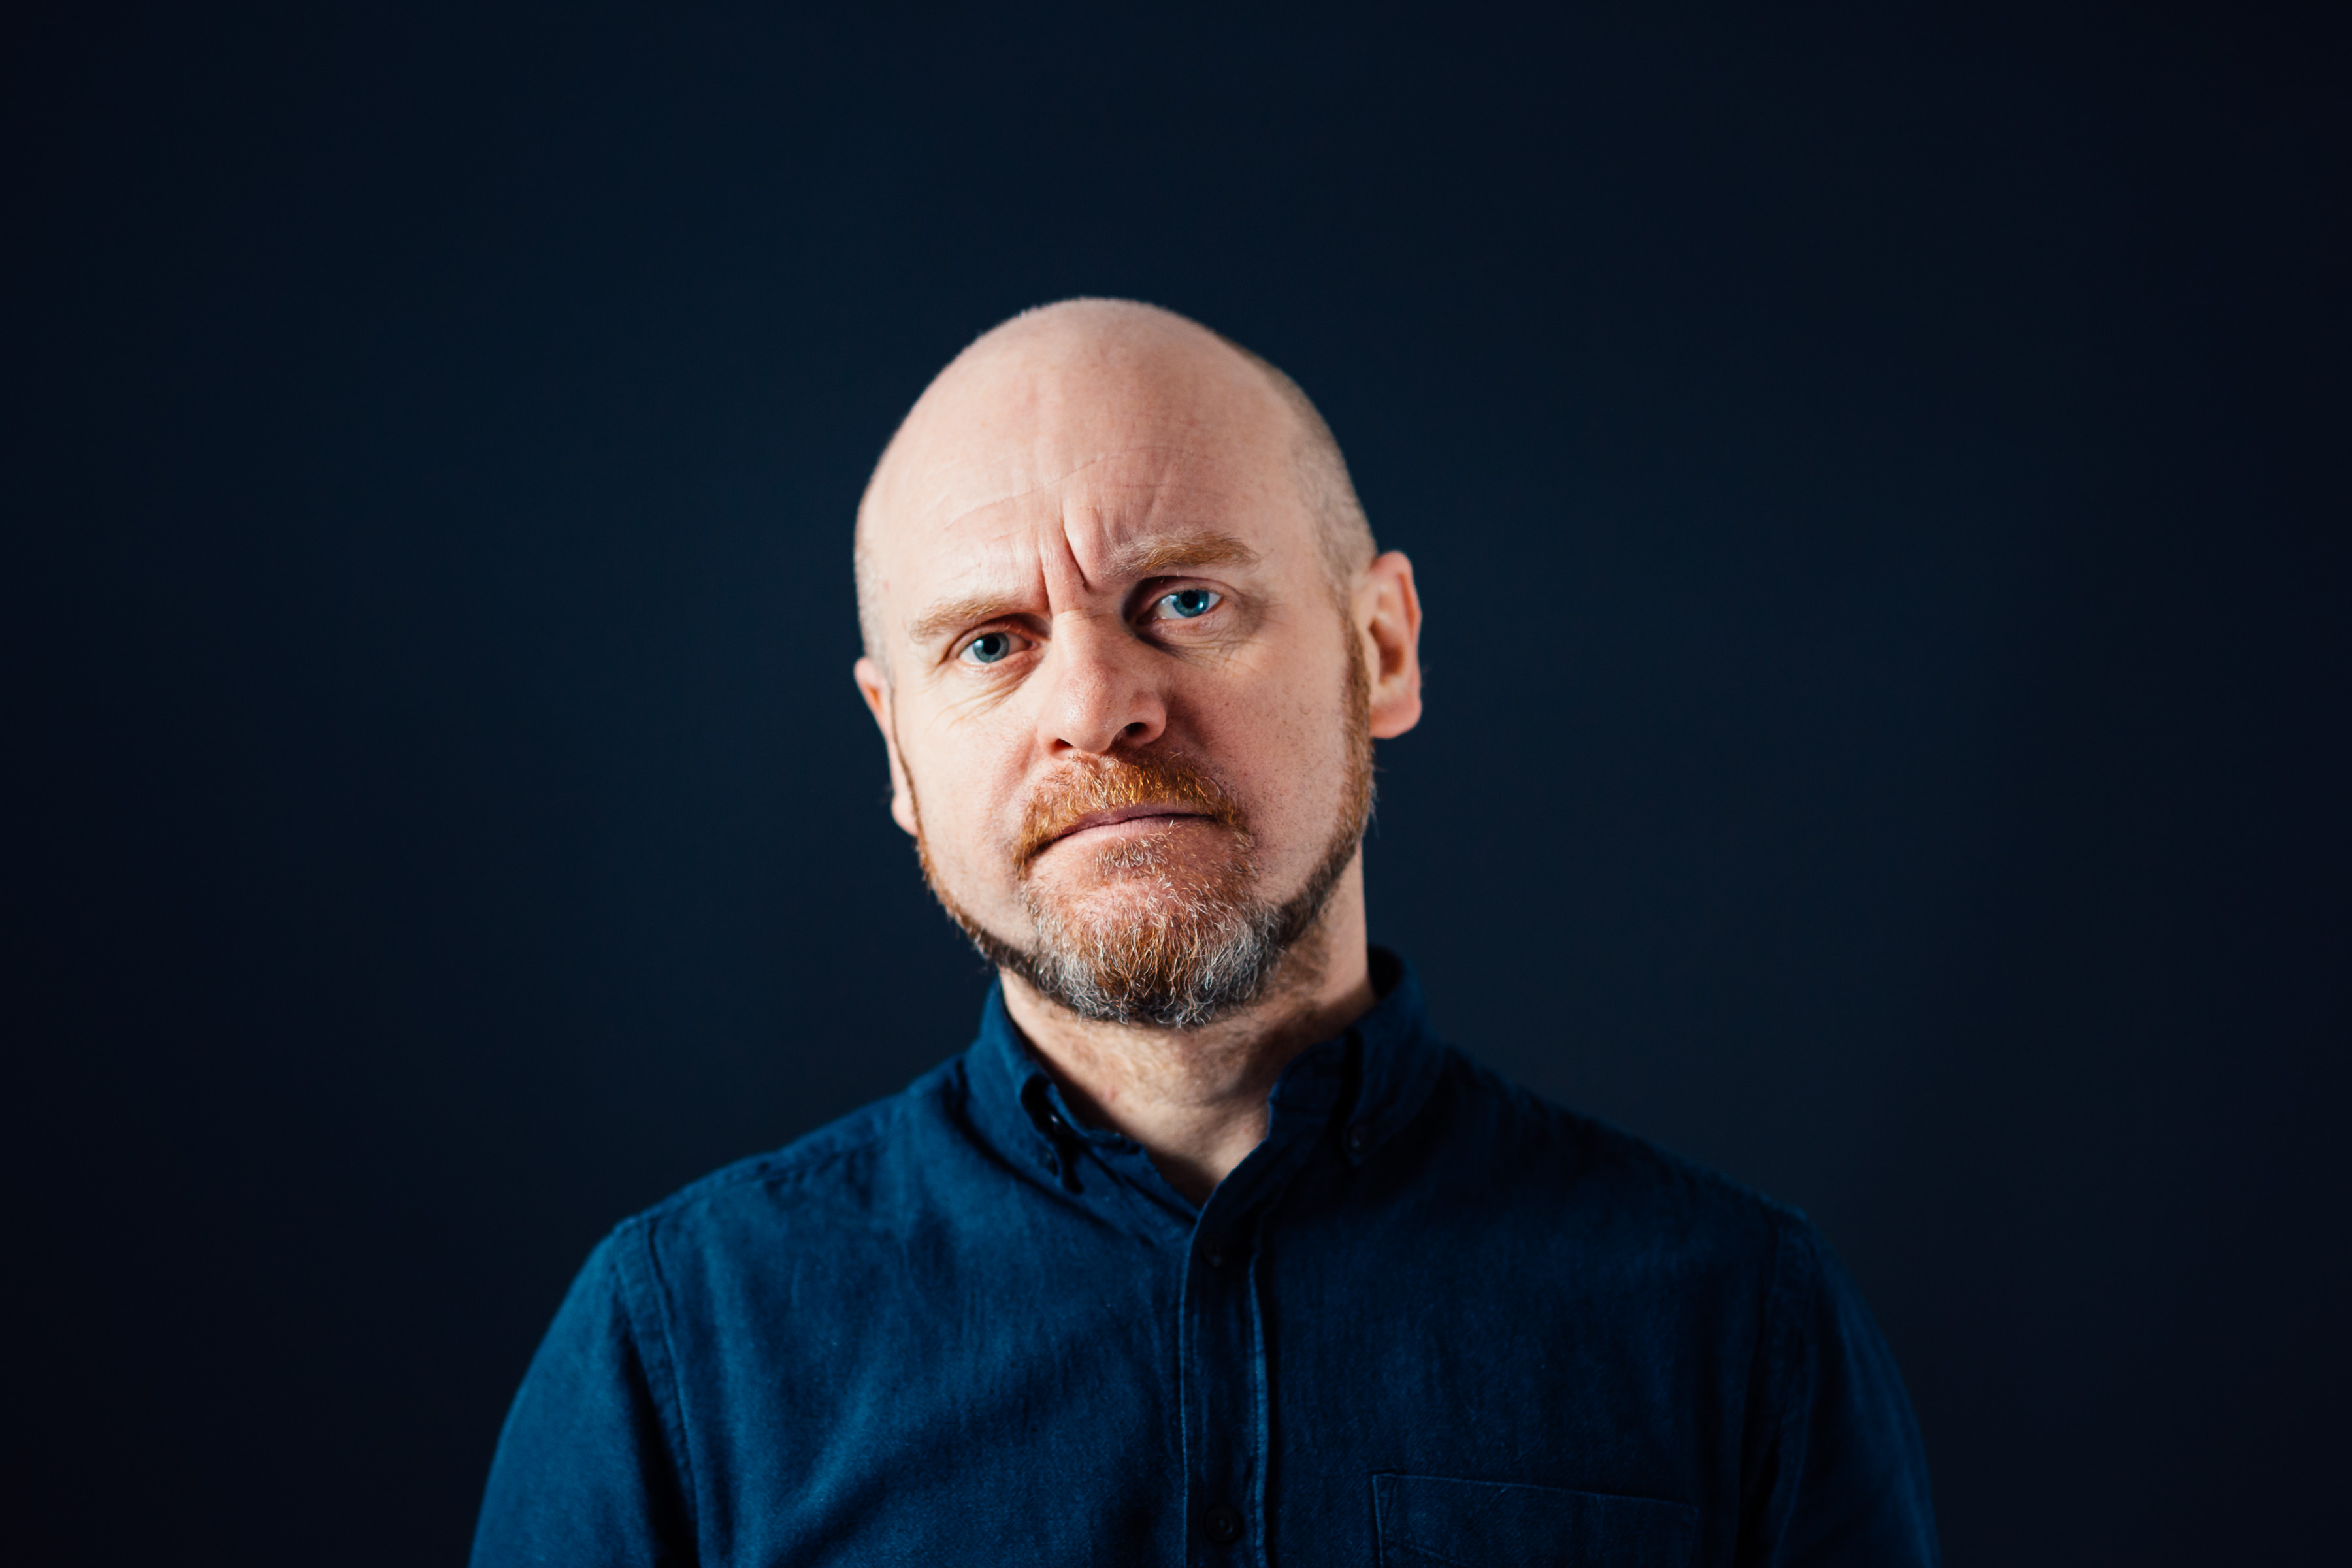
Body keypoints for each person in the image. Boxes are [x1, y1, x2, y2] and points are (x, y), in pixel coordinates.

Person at [471, 299, 1940, 1565]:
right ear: (899, 752)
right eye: (990, 643)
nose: (1092, 706)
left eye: (1181, 599)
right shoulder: (674, 1354)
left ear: (1381, 647)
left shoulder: (1740, 1326)